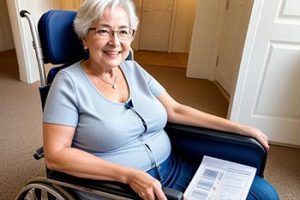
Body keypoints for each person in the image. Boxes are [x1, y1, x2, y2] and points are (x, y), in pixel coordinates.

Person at [43, 0, 279, 199]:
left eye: (123, 31)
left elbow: (176, 110)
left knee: (264, 193)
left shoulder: (133, 69)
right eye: (103, 31)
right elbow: (56, 155)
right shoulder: (68, 83)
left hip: (174, 169)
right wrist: (128, 175)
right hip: (117, 188)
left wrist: (240, 128)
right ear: (85, 37)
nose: (115, 42)